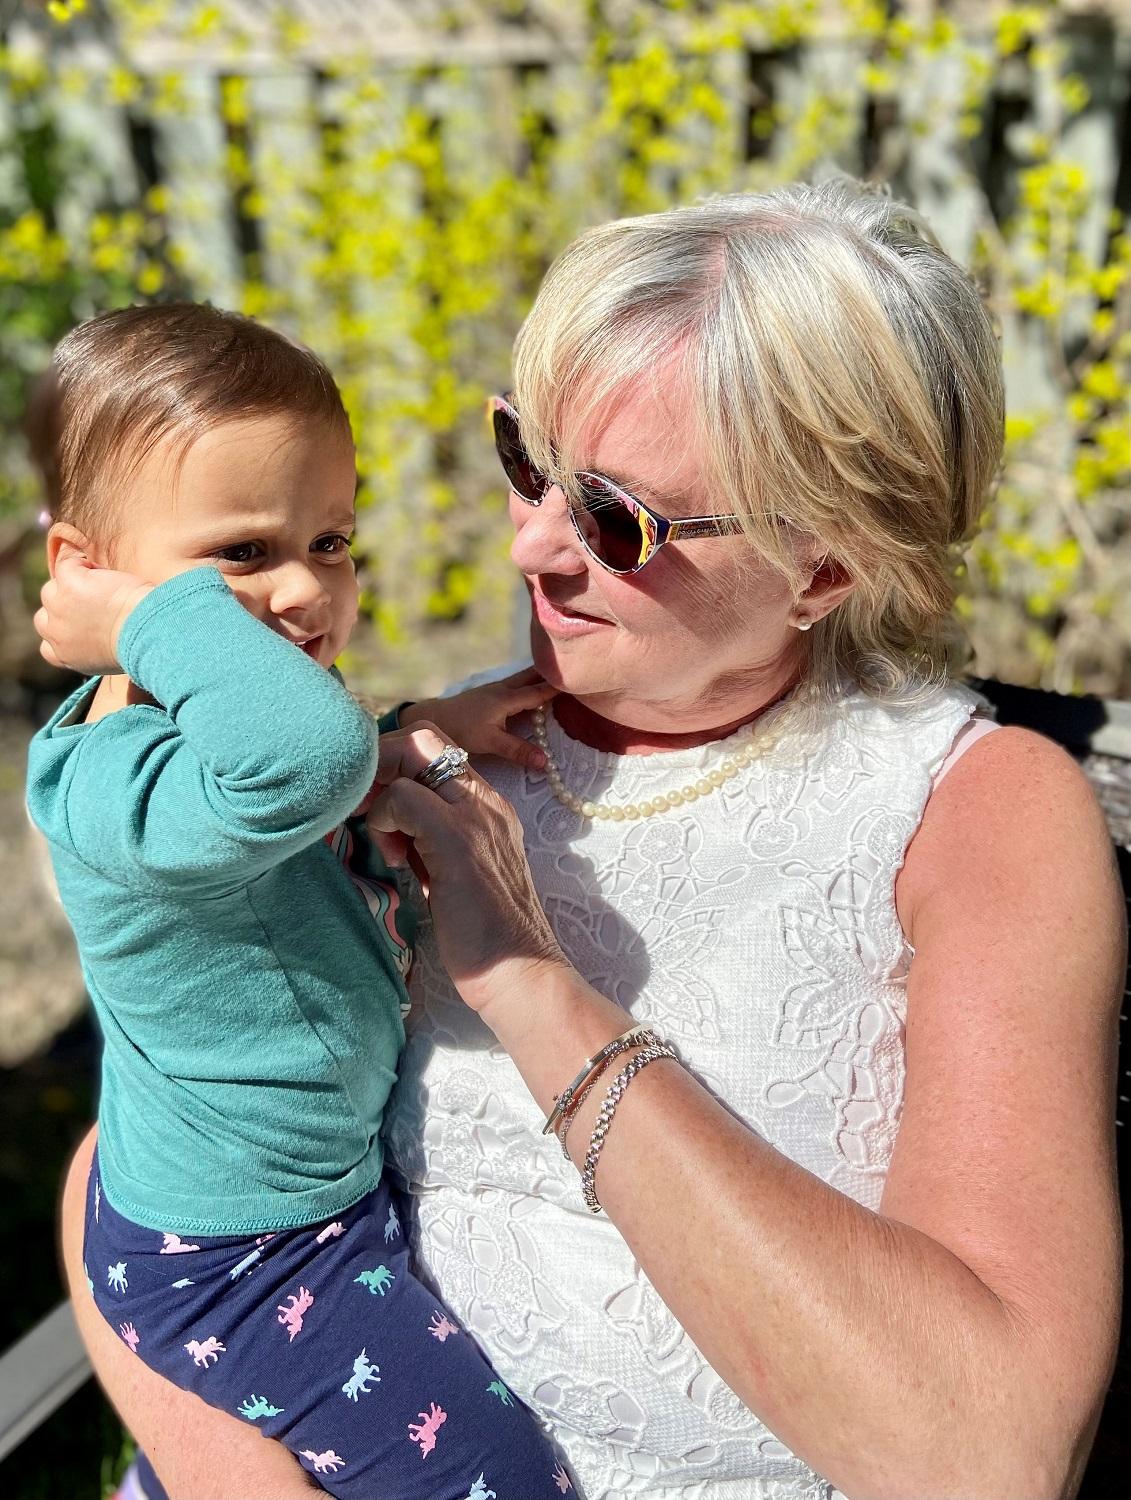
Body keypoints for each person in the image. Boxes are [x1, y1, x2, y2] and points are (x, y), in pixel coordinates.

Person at [56, 180, 1124, 1500]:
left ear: (821, 571)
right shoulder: (439, 740)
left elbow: (984, 1453)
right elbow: (142, 1158)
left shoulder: (977, 815)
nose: (530, 546)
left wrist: (528, 984)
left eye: (618, 519)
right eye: (524, 462)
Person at [28, 303, 572, 1500]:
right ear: (87, 571)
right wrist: (145, 619)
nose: (303, 590)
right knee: (491, 1478)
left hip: (282, 1201)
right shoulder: (115, 779)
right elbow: (293, 769)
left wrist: (410, 734)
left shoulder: (227, 734)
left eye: (330, 541)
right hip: (245, 1254)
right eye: (239, 554)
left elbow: (291, 787)